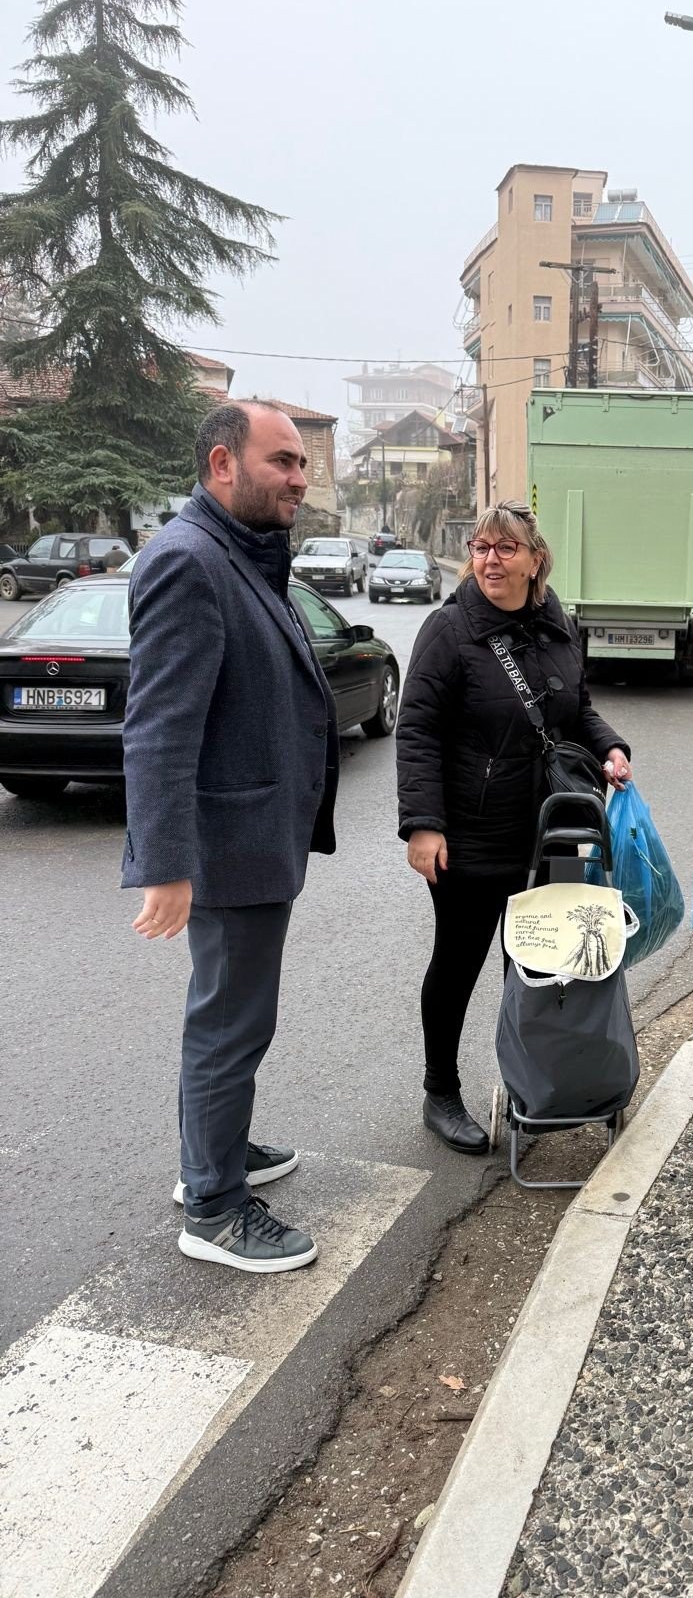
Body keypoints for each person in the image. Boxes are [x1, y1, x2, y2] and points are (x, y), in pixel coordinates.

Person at [122, 401, 339, 1274]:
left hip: (251, 837)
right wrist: (167, 865)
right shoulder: (188, 561)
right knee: (231, 1025)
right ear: (222, 464)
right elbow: (159, 728)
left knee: (227, 1019)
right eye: (283, 461)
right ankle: (213, 1205)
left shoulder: (241, 553)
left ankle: (211, 1154)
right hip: (227, 844)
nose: (300, 477)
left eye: (300, 463)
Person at [395, 500, 631, 1153]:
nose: (490, 560)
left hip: (549, 830)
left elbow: (575, 708)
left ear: (535, 560)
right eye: (480, 548)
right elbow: (416, 730)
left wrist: (611, 746)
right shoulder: (449, 631)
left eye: (505, 549)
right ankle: (440, 1093)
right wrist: (422, 823)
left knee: (536, 968)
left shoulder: (558, 624)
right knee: (459, 962)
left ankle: (530, 1087)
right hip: (469, 834)